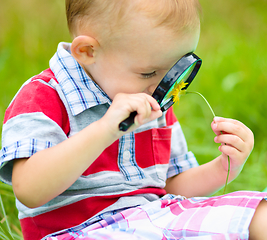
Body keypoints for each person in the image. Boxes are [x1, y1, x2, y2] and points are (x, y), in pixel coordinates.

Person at [0, 0, 267, 239]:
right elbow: (29, 189)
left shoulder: (152, 102)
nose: (161, 86)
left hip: (157, 219)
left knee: (261, 215)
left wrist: (223, 167)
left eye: (174, 71)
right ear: (88, 51)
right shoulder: (43, 98)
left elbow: (170, 186)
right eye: (149, 72)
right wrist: (105, 129)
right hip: (82, 231)